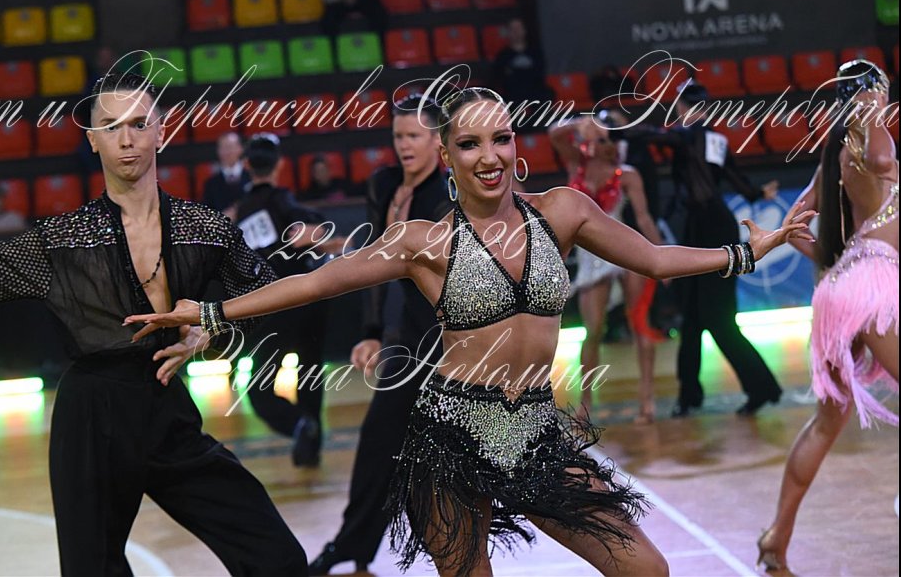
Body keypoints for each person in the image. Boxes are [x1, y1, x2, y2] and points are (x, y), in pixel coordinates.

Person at [126, 87, 813, 577]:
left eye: (500, 139)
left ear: (516, 147)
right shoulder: (424, 241)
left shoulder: (563, 212)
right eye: (469, 143)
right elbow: (317, 282)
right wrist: (211, 314)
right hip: (450, 437)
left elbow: (657, 260)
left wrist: (748, 251)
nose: (488, 155)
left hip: (534, 430)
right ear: (448, 157)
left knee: (645, 568)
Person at [0, 73, 307, 576]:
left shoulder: (203, 227)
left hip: (165, 407)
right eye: (111, 127)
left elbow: (266, 292)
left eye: (138, 124)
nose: (126, 139)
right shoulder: (64, 240)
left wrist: (210, 326)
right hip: (90, 419)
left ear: (161, 131)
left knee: (277, 557)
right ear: (92, 140)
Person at [757, 60, 898, 572]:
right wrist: (871, 109)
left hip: (841, 285)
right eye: (881, 91)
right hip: (871, 283)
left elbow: (794, 224)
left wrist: (833, 262)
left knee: (825, 424)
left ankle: (777, 536)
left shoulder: (834, 154)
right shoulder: (869, 137)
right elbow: (881, 155)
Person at [308, 94, 451, 574]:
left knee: (435, 458)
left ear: (437, 140)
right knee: (377, 444)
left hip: (448, 339)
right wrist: (371, 332)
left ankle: (445, 548)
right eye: (398, 136)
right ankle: (353, 547)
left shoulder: (445, 196)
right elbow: (373, 260)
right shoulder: (384, 183)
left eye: (414, 135)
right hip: (408, 335)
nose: (404, 145)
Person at [659, 81, 784, 417]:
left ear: (682, 107)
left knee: (717, 319)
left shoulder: (686, 136)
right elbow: (738, 181)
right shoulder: (715, 139)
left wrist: (613, 129)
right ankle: (689, 395)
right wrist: (759, 193)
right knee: (693, 319)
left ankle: (761, 388)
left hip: (709, 229)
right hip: (707, 227)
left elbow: (651, 137)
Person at [550, 112, 665, 424]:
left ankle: (647, 398)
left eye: (603, 139)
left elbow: (644, 219)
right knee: (593, 330)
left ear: (613, 144)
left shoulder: (627, 174)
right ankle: (585, 403)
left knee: (639, 323)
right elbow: (554, 134)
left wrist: (661, 260)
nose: (595, 144)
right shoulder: (576, 165)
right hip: (592, 254)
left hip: (625, 248)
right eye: (595, 138)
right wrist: (580, 123)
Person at [236, 133, 342, 467]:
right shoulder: (283, 201)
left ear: (246, 165)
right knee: (309, 371)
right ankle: (309, 444)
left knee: (259, 389)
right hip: (308, 299)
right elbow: (316, 230)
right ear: (280, 165)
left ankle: (299, 426)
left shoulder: (240, 212)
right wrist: (318, 231)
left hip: (275, 306)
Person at [490, 17, 553, 113]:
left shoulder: (535, 52)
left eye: (519, 28)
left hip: (534, 91)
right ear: (508, 32)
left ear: (524, 30)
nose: (516, 32)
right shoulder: (503, 55)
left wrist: (516, 72)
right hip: (513, 94)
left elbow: (539, 73)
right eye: (513, 29)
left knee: (547, 94)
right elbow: (500, 78)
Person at [201, 131, 250, 219]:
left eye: (230, 147)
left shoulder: (252, 177)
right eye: (223, 148)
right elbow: (206, 214)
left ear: (240, 149)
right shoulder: (211, 184)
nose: (227, 152)